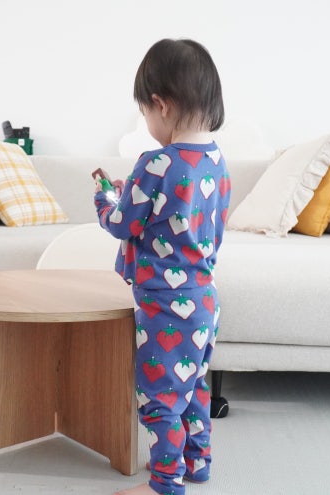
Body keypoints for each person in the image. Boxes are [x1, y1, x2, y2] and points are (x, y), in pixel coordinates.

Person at [94, 38, 230, 495]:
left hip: (165, 306)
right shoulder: (217, 163)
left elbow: (121, 223)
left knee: (160, 399)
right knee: (193, 387)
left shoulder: (156, 164)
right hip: (205, 300)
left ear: (162, 105)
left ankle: (164, 485)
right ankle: (198, 463)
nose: (148, 122)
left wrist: (106, 198)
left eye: (145, 113)